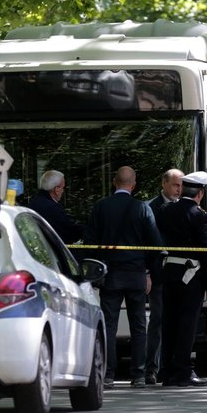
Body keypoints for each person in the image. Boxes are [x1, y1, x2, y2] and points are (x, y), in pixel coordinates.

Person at [83, 166, 163, 389]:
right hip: (136, 275)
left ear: (113, 182)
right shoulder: (142, 209)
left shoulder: (101, 207)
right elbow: (156, 244)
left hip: (110, 276)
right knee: (139, 326)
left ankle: (107, 374)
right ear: (133, 184)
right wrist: (148, 273)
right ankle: (138, 375)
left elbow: (89, 242)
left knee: (108, 325)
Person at [156, 170, 207, 387]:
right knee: (187, 325)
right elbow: (205, 252)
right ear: (200, 194)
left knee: (169, 323)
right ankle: (183, 371)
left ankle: (168, 372)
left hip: (170, 272)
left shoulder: (165, 210)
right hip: (192, 277)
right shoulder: (199, 215)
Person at [145, 168, 184, 385]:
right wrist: (148, 272)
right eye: (175, 185)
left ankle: (173, 367)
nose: (179, 190)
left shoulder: (186, 207)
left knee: (178, 321)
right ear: (164, 184)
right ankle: (152, 369)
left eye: (181, 186)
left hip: (181, 274)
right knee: (158, 321)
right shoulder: (150, 208)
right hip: (159, 273)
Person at [27, 170, 83, 244]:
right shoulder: (52, 208)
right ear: (57, 189)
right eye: (63, 188)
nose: (63, 191)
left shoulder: (33, 203)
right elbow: (71, 230)